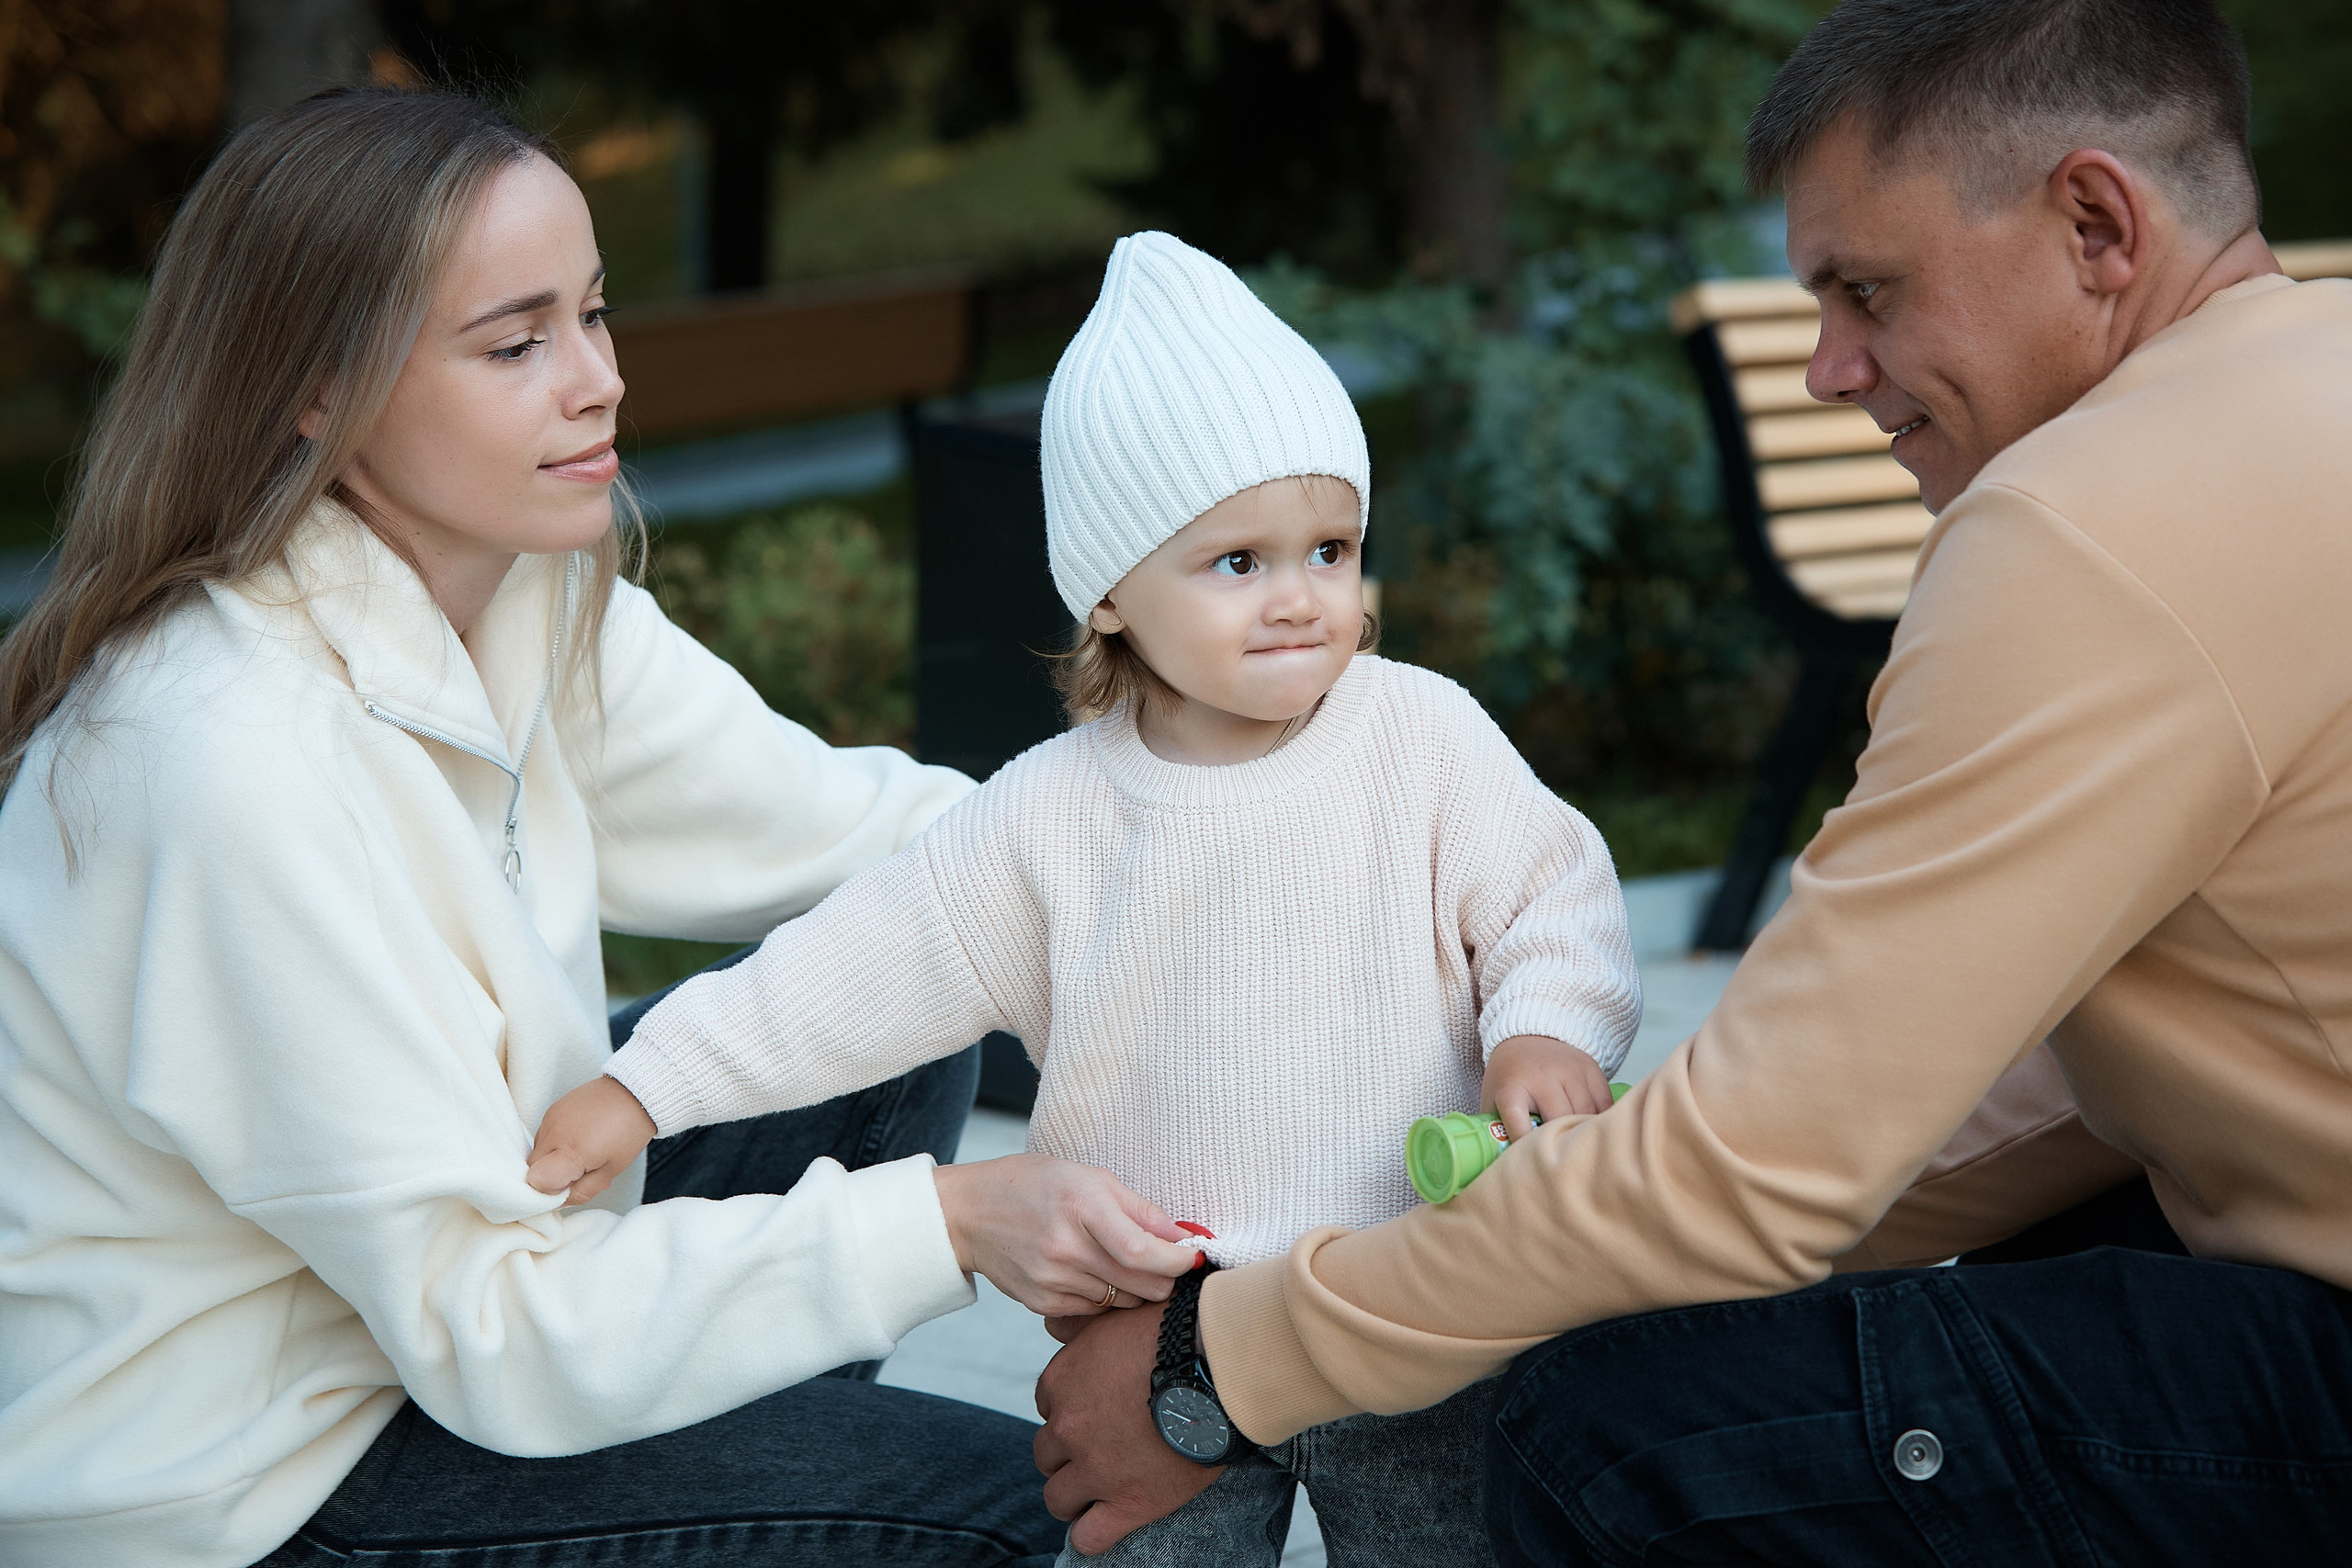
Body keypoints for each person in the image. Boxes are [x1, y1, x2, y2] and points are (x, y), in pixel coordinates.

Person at [1027, 2, 2352, 1562]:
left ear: (2095, 222)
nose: (1826, 369)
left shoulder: (2086, 522)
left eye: (1868, 291)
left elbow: (1756, 1174)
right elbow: (2036, 1110)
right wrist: (1594, 1205)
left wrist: (1220, 1368)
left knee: (1626, 1432)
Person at [0, 87, 1198, 1568]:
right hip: (249, 1485)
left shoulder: (518, 589)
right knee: (1044, 1510)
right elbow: (489, 1322)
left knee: (894, 992)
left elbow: (889, 851)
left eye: (596, 315)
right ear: (313, 388)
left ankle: (757, 1505)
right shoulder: (224, 762)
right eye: (516, 344)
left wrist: (1238, 867)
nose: (597, 384)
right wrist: (952, 1221)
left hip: (426, 1323)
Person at [528, 231, 1645, 1566]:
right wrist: (645, 1087)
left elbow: (1552, 897)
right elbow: (844, 972)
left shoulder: (1424, 737)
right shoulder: (1048, 816)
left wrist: (1547, 1031)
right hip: (1157, 1328)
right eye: (1238, 563)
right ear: (1112, 595)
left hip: (1412, 1301)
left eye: (1331, 548)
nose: (1301, 599)